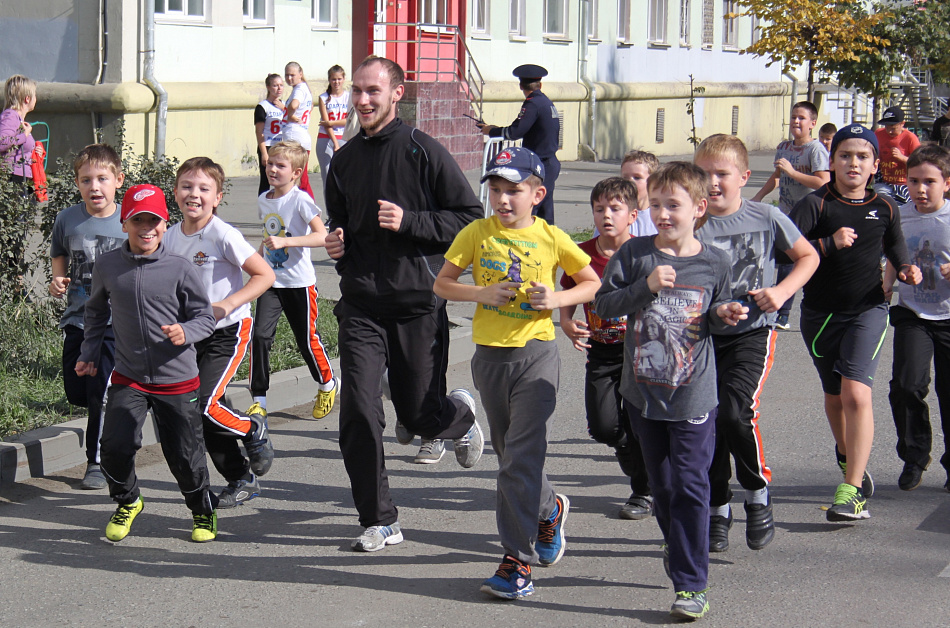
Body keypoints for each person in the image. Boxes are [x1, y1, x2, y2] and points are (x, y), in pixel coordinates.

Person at [324, 57, 485, 552]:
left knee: (418, 417)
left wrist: (411, 220)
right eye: (357, 91)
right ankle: (379, 520)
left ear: (396, 94)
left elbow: (469, 218)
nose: (363, 100)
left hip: (417, 302)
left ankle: (458, 416)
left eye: (373, 90)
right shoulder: (344, 160)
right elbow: (341, 227)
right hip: (362, 305)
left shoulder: (423, 150)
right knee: (356, 410)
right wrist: (337, 247)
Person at [435, 146, 600, 599]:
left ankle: (516, 562)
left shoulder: (551, 237)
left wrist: (558, 302)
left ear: (537, 193)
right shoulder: (476, 233)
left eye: (515, 191)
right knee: (513, 457)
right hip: (490, 359)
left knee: (518, 462)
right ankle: (549, 510)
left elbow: (591, 282)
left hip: (537, 355)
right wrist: (480, 294)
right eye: (496, 190)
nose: (503, 200)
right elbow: (442, 283)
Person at [594, 162, 748, 621]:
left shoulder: (715, 261)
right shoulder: (635, 255)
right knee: (662, 486)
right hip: (642, 394)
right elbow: (603, 304)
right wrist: (643, 287)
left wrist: (727, 314)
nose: (662, 213)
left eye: (673, 205)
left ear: (699, 209)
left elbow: (715, 313)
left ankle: (691, 584)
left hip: (693, 395)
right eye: (656, 204)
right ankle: (677, 542)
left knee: (691, 486)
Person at [788, 124, 921, 522]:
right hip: (820, 315)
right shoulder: (816, 204)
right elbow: (783, 253)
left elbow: (897, 252)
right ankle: (848, 457)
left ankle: (852, 490)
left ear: (875, 166)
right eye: (845, 155)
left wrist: (908, 269)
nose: (853, 163)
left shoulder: (885, 207)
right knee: (834, 397)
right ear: (831, 162)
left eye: (862, 157)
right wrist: (827, 244)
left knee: (856, 394)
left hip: (868, 309)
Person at [694, 134, 819, 552]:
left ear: (744, 177)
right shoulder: (692, 224)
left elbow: (808, 258)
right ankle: (717, 506)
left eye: (722, 174)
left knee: (735, 411)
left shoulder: (765, 216)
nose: (712, 183)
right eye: (704, 174)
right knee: (707, 421)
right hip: (703, 335)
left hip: (752, 332)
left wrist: (781, 294)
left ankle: (757, 491)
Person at [75, 184, 219, 543]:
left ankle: (202, 511)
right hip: (130, 376)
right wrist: (89, 352)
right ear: (125, 223)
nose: (147, 229)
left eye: (154, 222)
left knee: (184, 455)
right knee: (114, 446)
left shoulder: (179, 267)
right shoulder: (108, 266)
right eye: (138, 221)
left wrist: (186, 332)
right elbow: (94, 312)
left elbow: (205, 317)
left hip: (177, 379)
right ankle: (129, 500)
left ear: (164, 224)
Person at [164, 157, 276, 508]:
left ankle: (252, 429)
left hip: (228, 330)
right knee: (204, 408)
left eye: (203, 189)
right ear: (175, 192)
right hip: (190, 335)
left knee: (206, 404)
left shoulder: (222, 234)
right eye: (186, 186)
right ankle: (241, 478)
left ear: (217, 197)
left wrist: (226, 305)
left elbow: (264, 276)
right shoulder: (168, 237)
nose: (193, 194)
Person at [559, 177, 653, 521]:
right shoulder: (582, 253)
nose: (606, 216)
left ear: (633, 214)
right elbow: (568, 287)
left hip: (642, 355)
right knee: (604, 426)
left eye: (615, 209)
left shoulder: (645, 251)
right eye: (599, 209)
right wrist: (566, 321)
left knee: (641, 423)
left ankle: (642, 489)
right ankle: (639, 464)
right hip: (602, 352)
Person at [49, 144, 127, 490]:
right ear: (77, 183)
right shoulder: (67, 218)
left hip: (113, 325)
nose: (94, 186)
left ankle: (95, 463)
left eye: (102, 178)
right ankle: (131, 401)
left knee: (98, 395)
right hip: (77, 320)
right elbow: (59, 254)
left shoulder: (129, 220)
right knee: (76, 393)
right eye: (86, 180)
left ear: (117, 181)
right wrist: (57, 279)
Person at [247, 140, 338, 424]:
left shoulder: (300, 200)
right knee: (260, 337)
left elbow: (323, 237)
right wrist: (256, 267)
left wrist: (287, 241)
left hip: (299, 284)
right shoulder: (264, 199)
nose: (272, 169)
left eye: (280, 166)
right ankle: (259, 401)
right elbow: (267, 237)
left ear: (296, 172)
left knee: (307, 341)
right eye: (270, 163)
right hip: (271, 282)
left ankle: (327, 384)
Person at [884, 145, 950, 492]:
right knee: (907, 386)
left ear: (947, 183)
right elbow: (895, 254)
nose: (920, 189)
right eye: (913, 181)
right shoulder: (900, 215)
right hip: (914, 314)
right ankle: (914, 456)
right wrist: (886, 284)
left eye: (929, 181)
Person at [752, 101, 830, 330]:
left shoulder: (815, 150)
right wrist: (758, 198)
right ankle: (779, 310)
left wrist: (793, 172)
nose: (796, 121)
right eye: (794, 117)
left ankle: (783, 313)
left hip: (808, 213)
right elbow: (777, 177)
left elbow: (822, 182)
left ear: (812, 124)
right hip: (786, 211)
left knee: (794, 259)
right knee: (781, 257)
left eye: (802, 118)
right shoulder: (784, 147)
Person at [477, 64, 560, 225]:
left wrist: (490, 131)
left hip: (540, 163)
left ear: (520, 85)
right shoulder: (545, 102)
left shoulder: (532, 104)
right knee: (545, 212)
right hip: (549, 161)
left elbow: (515, 132)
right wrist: (494, 128)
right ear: (540, 84)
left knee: (530, 208)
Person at [281, 62, 315, 200]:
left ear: (300, 74)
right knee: (300, 177)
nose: (289, 78)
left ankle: (310, 212)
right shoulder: (305, 88)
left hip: (294, 136)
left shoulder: (299, 89)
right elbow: (310, 106)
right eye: (287, 75)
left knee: (296, 177)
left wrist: (290, 114)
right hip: (301, 135)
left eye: (292, 75)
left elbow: (294, 104)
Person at [874, 106, 921, 205]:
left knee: (903, 209)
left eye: (893, 128)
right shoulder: (878, 134)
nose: (889, 131)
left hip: (904, 184)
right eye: (886, 127)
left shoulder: (910, 138)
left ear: (902, 124)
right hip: (884, 181)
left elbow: (920, 163)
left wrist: (902, 158)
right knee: (883, 202)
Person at [0, 74, 36, 185]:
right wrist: (24, 135)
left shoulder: (18, 119)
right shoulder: (10, 116)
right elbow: (2, 142)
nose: (36, 99)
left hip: (19, 177)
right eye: (35, 95)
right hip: (11, 178)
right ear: (27, 99)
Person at [316, 64, 349, 186]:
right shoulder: (323, 98)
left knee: (343, 177)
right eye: (334, 79)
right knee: (327, 178)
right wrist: (335, 142)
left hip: (344, 137)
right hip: (326, 138)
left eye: (339, 79)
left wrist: (332, 122)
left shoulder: (348, 97)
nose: (336, 82)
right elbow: (325, 123)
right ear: (329, 80)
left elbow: (349, 120)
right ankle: (328, 205)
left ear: (344, 79)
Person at [254, 73, 284, 196]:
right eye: (275, 85)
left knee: (282, 178)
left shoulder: (285, 106)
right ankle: (263, 206)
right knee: (266, 180)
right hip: (268, 145)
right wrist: (264, 153)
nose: (279, 88)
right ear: (268, 87)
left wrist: (285, 109)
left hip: (281, 145)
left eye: (281, 85)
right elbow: (259, 131)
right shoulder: (263, 106)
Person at [621, 150, 660, 237]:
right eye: (625, 178)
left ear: (653, 182)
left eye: (637, 177)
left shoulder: (659, 216)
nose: (630, 182)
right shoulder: (614, 213)